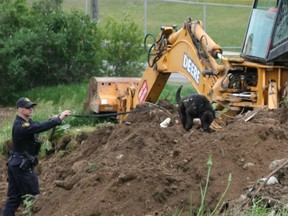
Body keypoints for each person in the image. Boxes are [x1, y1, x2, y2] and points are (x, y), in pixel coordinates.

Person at [2, 97, 71, 216]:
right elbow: (38, 127)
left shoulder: (26, 122)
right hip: (21, 166)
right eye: (27, 107)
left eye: (31, 106)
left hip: (16, 164)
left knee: (14, 198)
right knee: (31, 196)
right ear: (19, 109)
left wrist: (53, 118)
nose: (31, 109)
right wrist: (59, 119)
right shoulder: (21, 126)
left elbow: (38, 124)